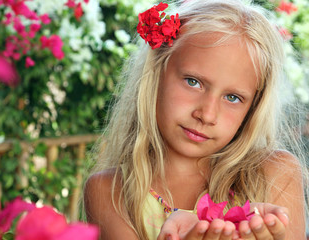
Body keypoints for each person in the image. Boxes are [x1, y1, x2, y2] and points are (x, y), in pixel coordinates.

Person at [84, 0, 308, 239]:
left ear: (253, 107)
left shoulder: (275, 175)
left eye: (232, 97)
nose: (207, 115)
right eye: (193, 82)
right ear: (157, 72)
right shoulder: (109, 191)